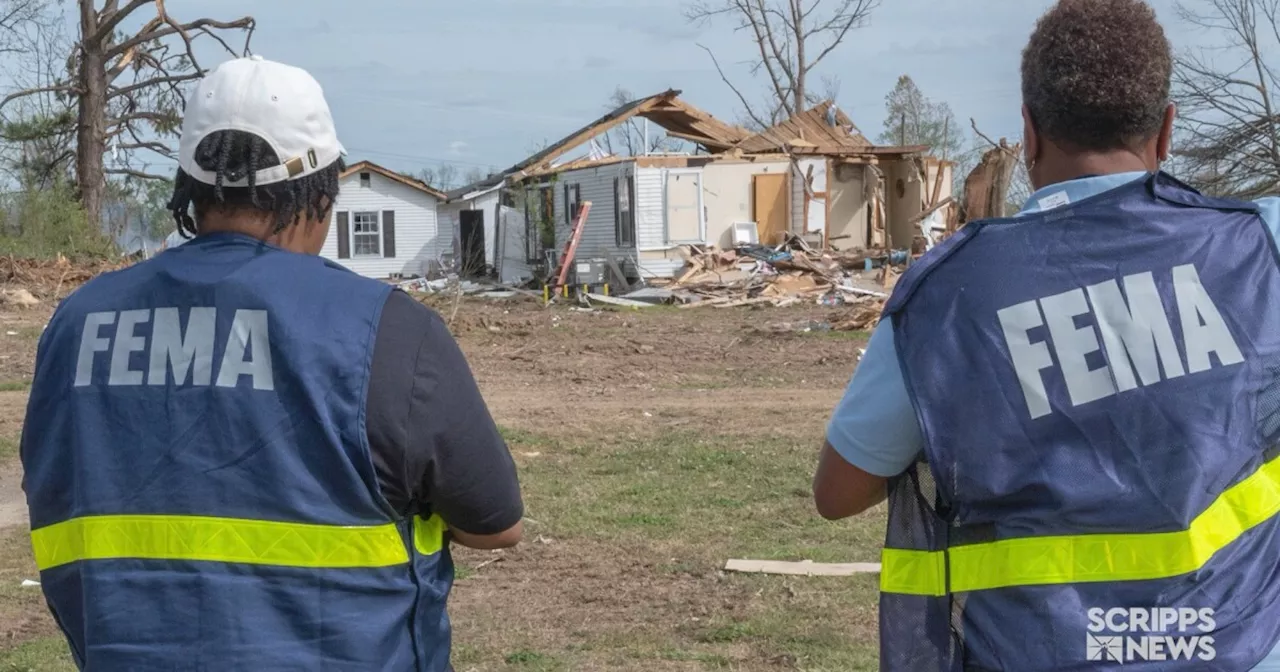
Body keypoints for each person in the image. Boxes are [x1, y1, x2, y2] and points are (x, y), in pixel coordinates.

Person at [812, 0, 1280, 669]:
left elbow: (839, 492)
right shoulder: (1259, 246)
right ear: (1168, 130)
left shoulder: (950, 295)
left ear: (1028, 133)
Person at [20, 55, 523, 671]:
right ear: (319, 192)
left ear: (189, 189)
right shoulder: (386, 328)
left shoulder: (76, 323)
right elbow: (494, 525)